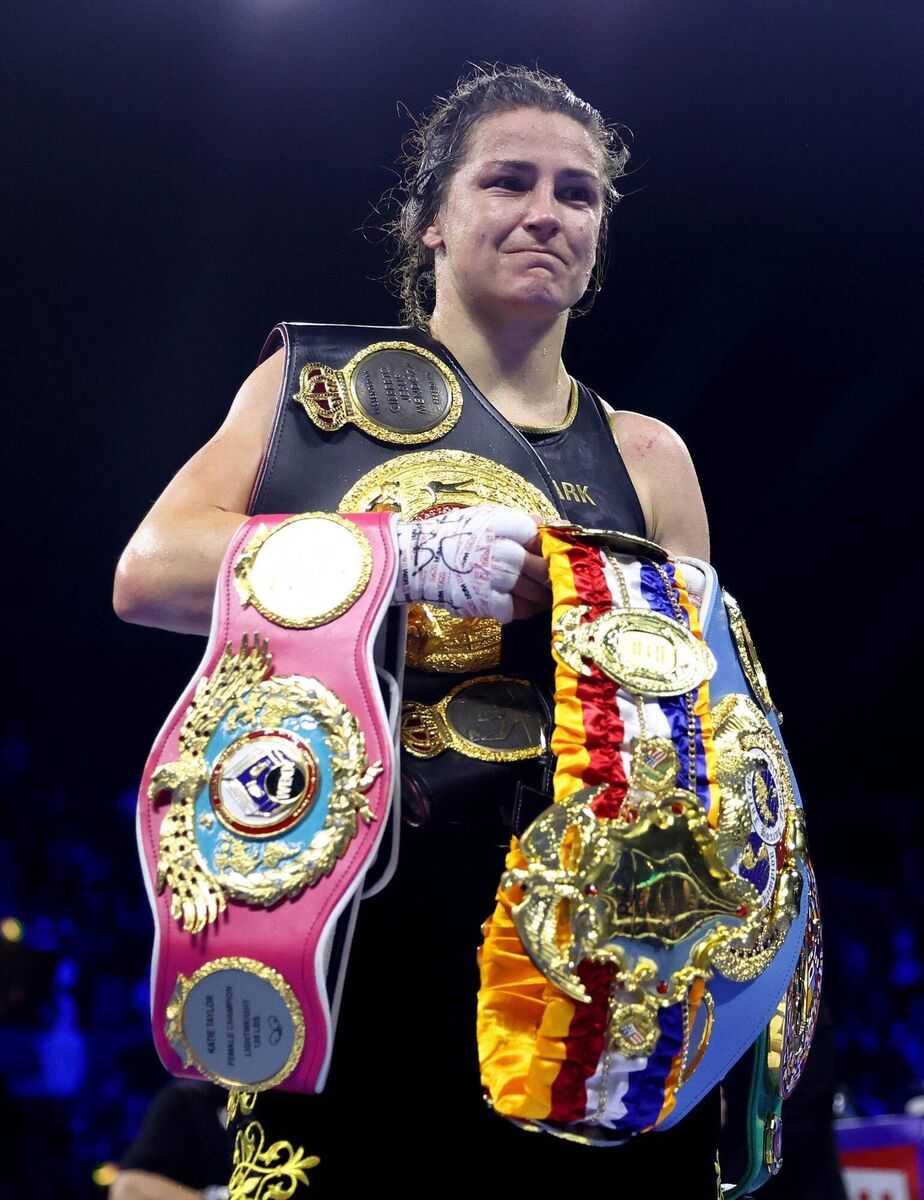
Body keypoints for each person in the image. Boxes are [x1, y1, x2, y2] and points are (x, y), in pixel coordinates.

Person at [115, 66, 719, 1190]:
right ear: (431, 219)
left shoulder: (646, 456)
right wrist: (398, 559)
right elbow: (149, 572)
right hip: (345, 925)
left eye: (578, 194)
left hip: (571, 952)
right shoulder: (310, 388)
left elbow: (687, 733)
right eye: (508, 180)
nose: (547, 210)